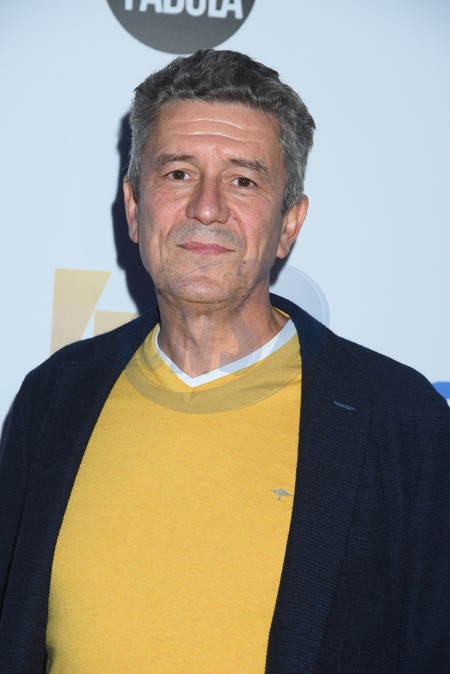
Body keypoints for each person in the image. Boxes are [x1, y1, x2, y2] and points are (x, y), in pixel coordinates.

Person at [0, 49, 449, 674]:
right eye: (178, 173)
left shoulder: (403, 424)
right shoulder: (53, 399)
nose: (206, 207)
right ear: (134, 208)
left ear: (289, 223)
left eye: (243, 180)